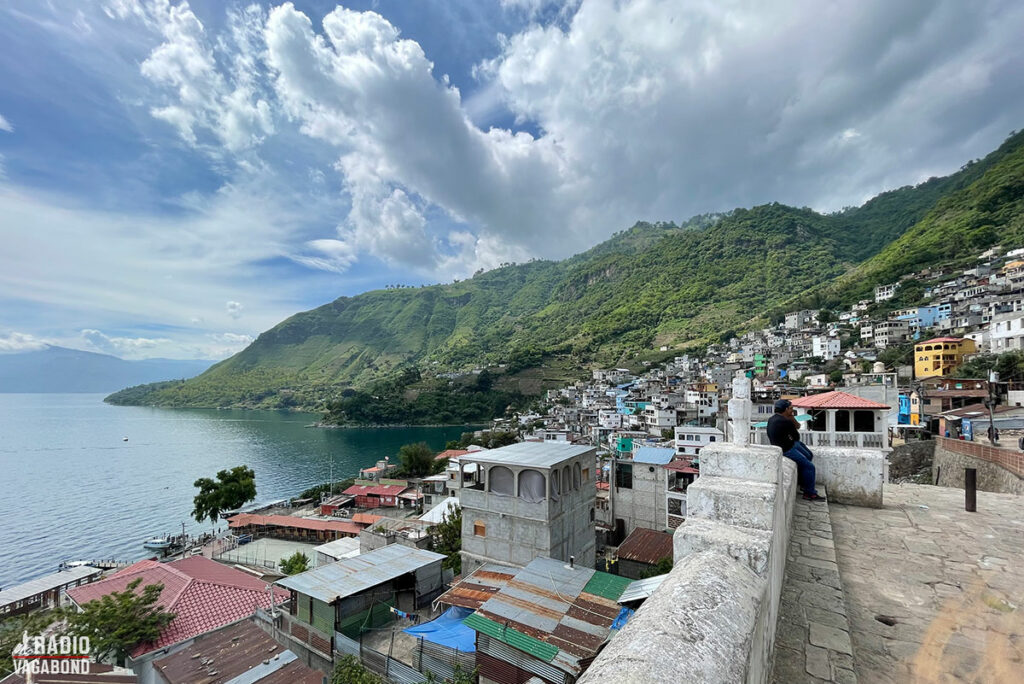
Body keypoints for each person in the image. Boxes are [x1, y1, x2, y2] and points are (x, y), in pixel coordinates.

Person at [767, 399, 824, 501]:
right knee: (810, 466)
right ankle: (809, 493)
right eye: (791, 409)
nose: (792, 411)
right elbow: (796, 436)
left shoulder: (772, 419)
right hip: (787, 449)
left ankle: (804, 482)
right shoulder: (785, 421)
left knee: (809, 455)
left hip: (783, 445)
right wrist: (792, 418)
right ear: (786, 409)